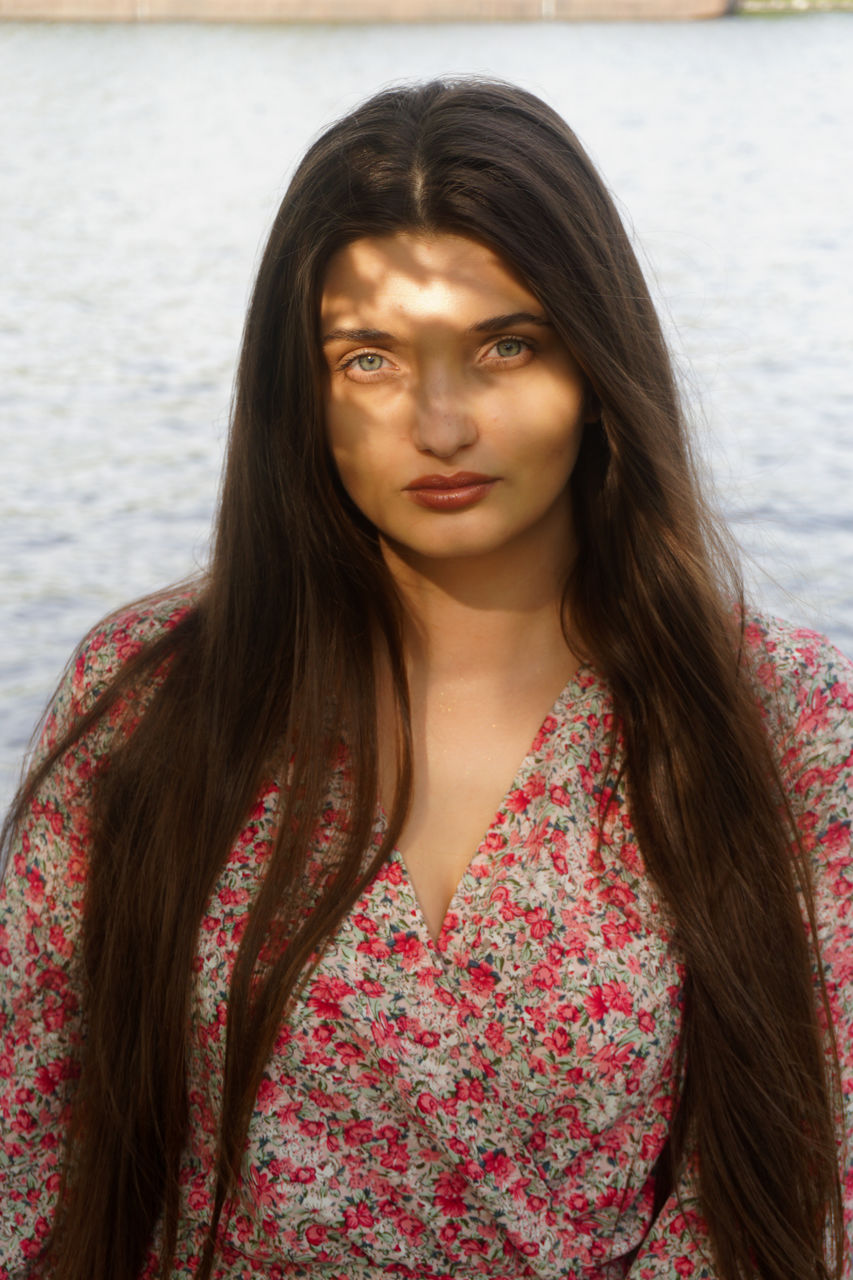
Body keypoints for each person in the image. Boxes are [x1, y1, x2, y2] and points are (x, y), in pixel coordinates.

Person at [0, 78, 850, 1280]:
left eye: (506, 344)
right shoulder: (151, 701)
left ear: (596, 368)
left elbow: (812, 1185)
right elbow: (30, 1152)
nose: (441, 422)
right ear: (302, 391)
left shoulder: (785, 723)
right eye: (370, 359)